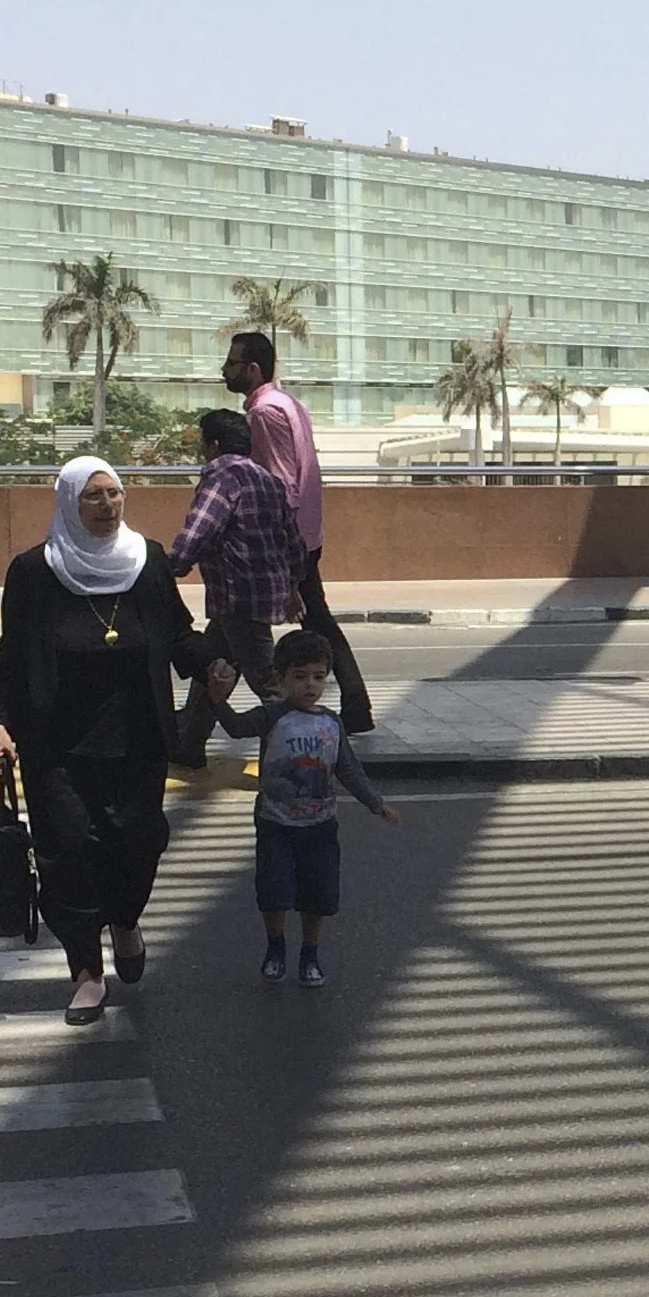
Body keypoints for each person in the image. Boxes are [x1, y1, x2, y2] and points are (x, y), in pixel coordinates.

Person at [0, 457, 204, 1026]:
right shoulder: (34, 571)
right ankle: (85, 971)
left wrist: (213, 662)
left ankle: (126, 919)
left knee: (137, 842)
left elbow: (177, 632)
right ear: (69, 501)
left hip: (138, 738)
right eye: (94, 497)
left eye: (116, 494)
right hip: (56, 742)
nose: (108, 506)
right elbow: (11, 656)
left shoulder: (148, 561)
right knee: (70, 852)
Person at [212, 627, 399, 988]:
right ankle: (276, 946)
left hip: (320, 826)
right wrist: (218, 701)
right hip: (275, 824)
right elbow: (235, 728)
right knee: (274, 891)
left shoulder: (331, 722)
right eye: (299, 677)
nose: (310, 685)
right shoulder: (270, 716)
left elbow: (347, 768)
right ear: (280, 680)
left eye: (318, 677)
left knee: (319, 893)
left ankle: (310, 952)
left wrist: (375, 803)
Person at [224, 333, 368, 730]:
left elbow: (282, 483)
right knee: (242, 626)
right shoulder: (289, 403)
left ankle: (345, 706)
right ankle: (357, 705)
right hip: (307, 533)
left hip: (289, 539)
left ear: (252, 369)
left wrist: (280, 548)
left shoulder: (264, 413)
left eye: (232, 363)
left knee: (253, 621)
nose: (225, 370)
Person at [167, 408, 304, 769]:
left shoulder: (222, 477)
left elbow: (199, 529)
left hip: (237, 598)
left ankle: (285, 761)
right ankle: (189, 744)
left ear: (212, 445)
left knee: (270, 688)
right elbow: (293, 542)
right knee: (209, 666)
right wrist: (292, 585)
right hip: (259, 596)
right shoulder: (267, 480)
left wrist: (170, 568)